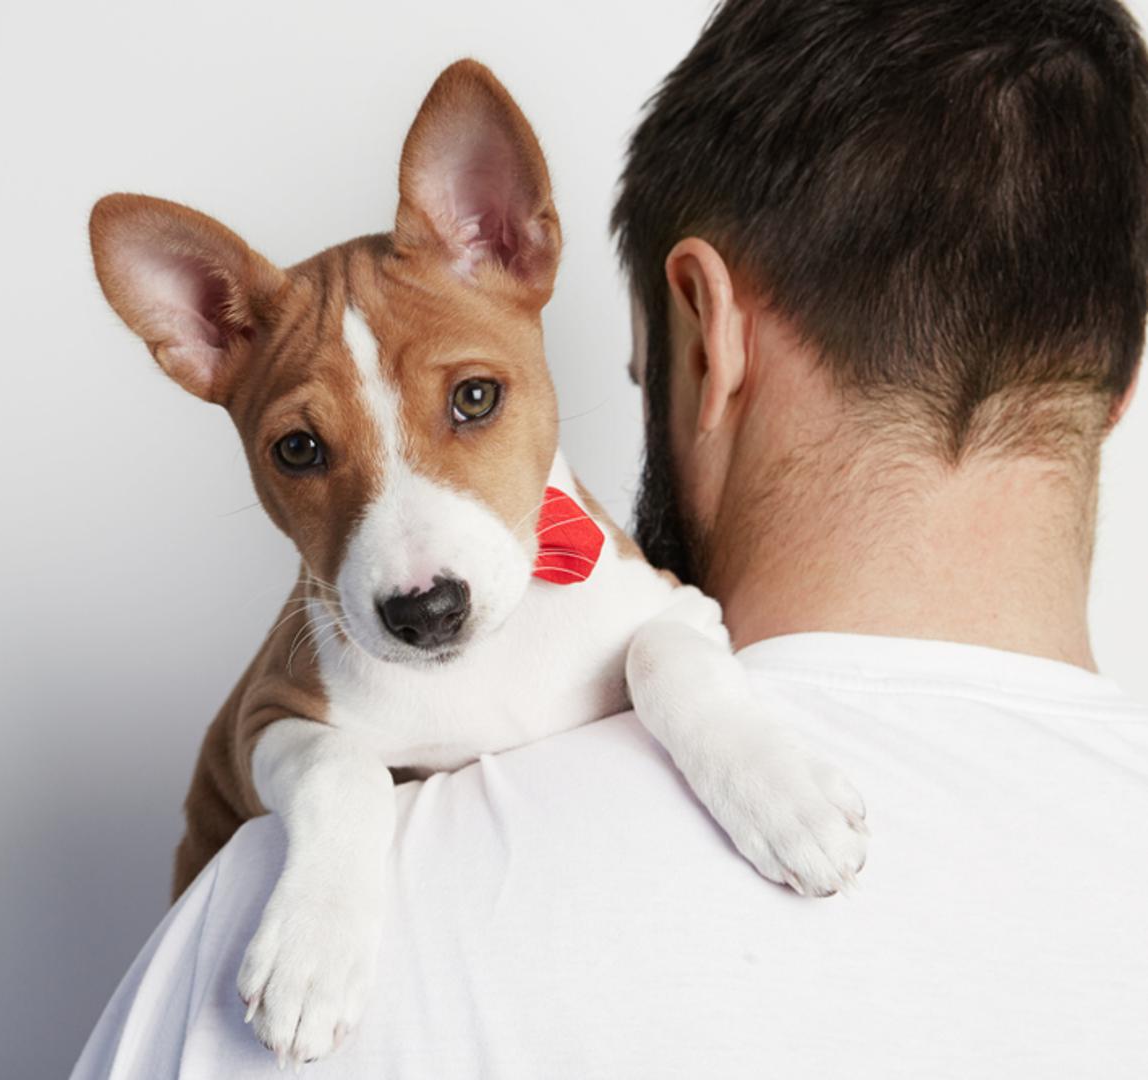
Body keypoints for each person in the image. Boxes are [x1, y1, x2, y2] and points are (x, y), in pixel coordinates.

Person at [71, 1, 1148, 1075]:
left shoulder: (235, 938)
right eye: (304, 452)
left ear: (702, 336)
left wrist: (696, 697)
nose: (415, 572)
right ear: (1117, 383)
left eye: (474, 398)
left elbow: (662, 625)